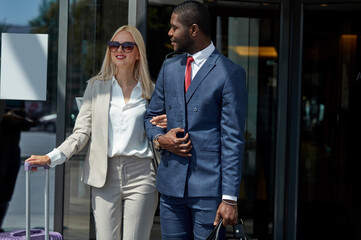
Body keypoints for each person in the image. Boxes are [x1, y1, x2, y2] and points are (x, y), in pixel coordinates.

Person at [26, 25, 166, 240]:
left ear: (138, 53)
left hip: (142, 174)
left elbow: (159, 133)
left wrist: (165, 129)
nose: (119, 49)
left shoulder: (151, 91)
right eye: (114, 45)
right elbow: (80, 133)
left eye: (127, 46)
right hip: (105, 174)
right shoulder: (95, 87)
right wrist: (51, 157)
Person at [144, 1, 247, 239]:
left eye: (174, 27)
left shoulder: (229, 73)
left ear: (193, 29)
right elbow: (150, 117)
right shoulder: (170, 67)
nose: (169, 33)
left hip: (209, 192)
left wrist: (229, 198)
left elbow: (233, 139)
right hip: (170, 189)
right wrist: (161, 139)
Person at [0, 106, 33, 232]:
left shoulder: (17, 113)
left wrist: (18, 118)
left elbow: (29, 124)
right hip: (5, 153)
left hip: (11, 155)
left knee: (6, 192)